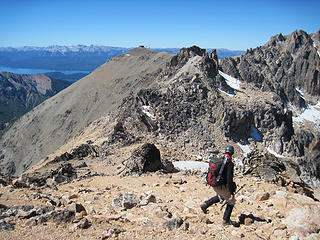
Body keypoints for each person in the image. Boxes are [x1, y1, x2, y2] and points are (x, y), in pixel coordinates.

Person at [200, 145, 237, 225]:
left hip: (214, 184)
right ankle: (226, 220)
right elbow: (229, 180)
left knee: (221, 196)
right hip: (221, 186)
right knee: (231, 201)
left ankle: (205, 204)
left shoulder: (220, 159)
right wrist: (231, 193)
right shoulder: (229, 163)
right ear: (232, 153)